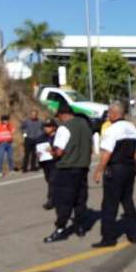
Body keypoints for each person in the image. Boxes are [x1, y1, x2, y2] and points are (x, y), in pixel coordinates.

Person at [92, 102, 136, 248]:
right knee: (128, 201)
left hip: (115, 170)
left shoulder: (112, 130)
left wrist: (98, 170)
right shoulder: (132, 128)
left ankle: (108, 238)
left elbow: (107, 152)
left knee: (109, 205)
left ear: (114, 114)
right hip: (129, 169)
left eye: (109, 113)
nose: (108, 116)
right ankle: (134, 234)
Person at [44, 103, 92, 243]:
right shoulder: (85, 125)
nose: (59, 120)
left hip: (67, 169)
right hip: (83, 168)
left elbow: (59, 152)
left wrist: (50, 152)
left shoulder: (64, 128)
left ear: (63, 115)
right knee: (80, 200)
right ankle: (80, 227)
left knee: (63, 201)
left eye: (59, 116)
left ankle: (60, 229)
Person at [38, 119, 58, 210]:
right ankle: (56, 197)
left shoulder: (58, 137)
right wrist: (38, 154)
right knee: (49, 179)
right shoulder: (42, 137)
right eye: (45, 126)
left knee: (52, 181)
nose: (46, 128)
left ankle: (51, 200)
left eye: (49, 126)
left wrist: (53, 150)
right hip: (46, 163)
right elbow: (39, 148)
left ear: (54, 127)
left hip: (56, 162)